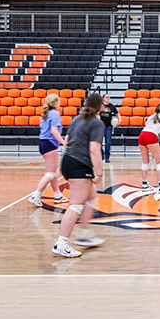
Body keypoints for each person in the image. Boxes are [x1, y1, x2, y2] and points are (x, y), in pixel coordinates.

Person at [52, 93, 107, 258]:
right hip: (79, 164)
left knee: (91, 197)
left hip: (68, 160)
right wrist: (99, 171)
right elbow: (94, 149)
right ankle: (62, 243)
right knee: (76, 205)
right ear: (101, 107)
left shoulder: (77, 119)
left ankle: (84, 234)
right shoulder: (97, 123)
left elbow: (67, 140)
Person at [27, 94, 68, 207]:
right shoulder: (55, 114)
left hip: (43, 143)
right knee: (50, 173)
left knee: (53, 171)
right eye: (59, 100)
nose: (60, 102)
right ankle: (36, 195)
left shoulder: (46, 114)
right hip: (50, 144)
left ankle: (57, 195)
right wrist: (63, 142)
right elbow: (54, 131)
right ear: (55, 102)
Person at [138, 103, 160, 193]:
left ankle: (144, 184)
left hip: (142, 135)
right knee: (159, 161)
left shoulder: (151, 116)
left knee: (145, 161)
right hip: (150, 136)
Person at [98, 94, 118, 163]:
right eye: (106, 97)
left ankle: (107, 157)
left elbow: (117, 113)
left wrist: (119, 120)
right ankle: (102, 155)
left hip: (108, 126)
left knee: (108, 142)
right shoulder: (100, 106)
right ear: (103, 98)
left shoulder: (111, 106)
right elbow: (96, 113)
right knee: (99, 142)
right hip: (100, 126)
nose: (108, 98)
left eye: (109, 97)